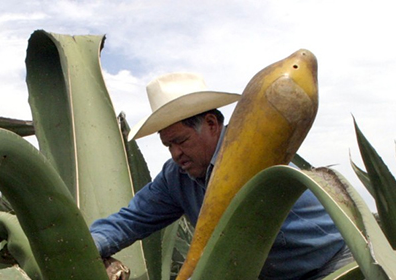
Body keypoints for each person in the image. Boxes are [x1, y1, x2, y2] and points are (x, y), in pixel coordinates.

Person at [90, 72, 353, 280]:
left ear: (211, 124)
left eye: (181, 141)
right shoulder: (176, 177)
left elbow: (236, 245)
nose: (176, 154)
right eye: (168, 146)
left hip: (336, 265)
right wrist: (88, 247)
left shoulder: (255, 154)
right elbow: (131, 219)